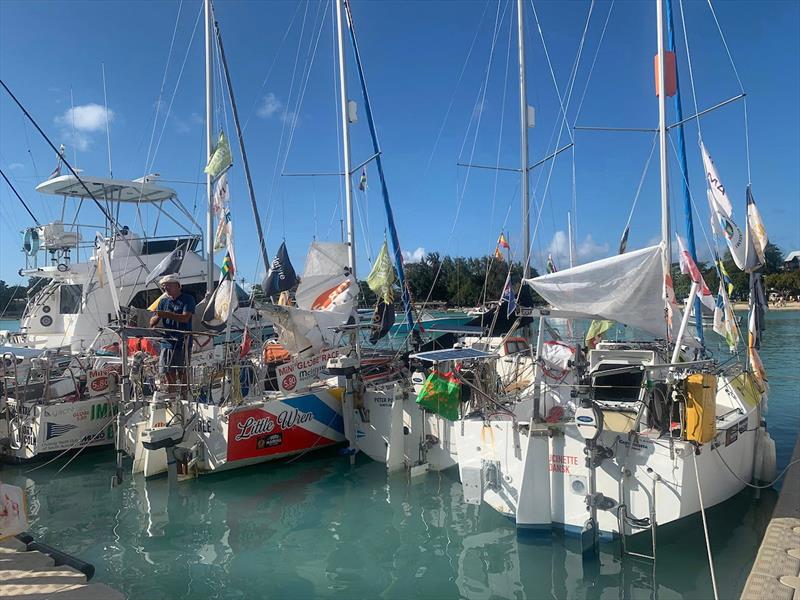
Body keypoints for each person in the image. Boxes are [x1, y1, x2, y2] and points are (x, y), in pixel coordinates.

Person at [149, 273, 196, 391]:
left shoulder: (188, 299)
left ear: (178, 286)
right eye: (164, 286)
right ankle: (172, 395)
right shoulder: (162, 302)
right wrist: (157, 317)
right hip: (167, 342)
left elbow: (185, 318)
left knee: (182, 372)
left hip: (183, 342)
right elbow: (152, 322)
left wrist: (167, 314)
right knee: (167, 371)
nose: (165, 288)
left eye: (168, 285)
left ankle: (185, 395)